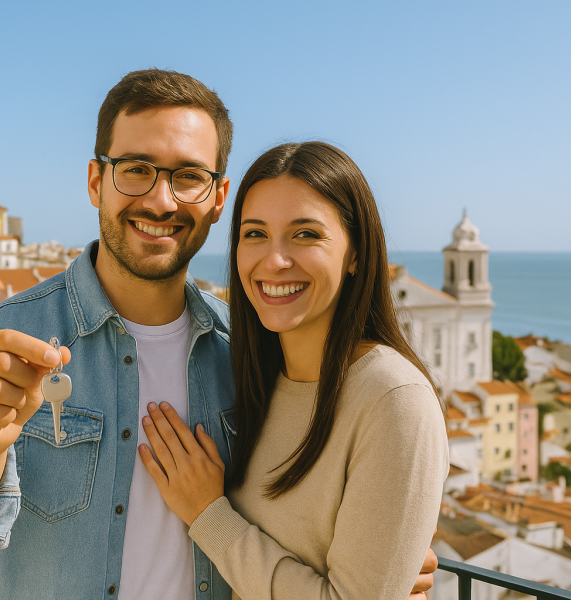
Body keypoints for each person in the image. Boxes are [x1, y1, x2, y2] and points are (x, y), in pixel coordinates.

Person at [0, 70, 438, 599]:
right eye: (136, 169)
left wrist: (376, 566)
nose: (161, 201)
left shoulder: (247, 353)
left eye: (188, 176)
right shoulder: (3, 337)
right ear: (94, 181)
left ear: (219, 196)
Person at [138, 142, 448, 599]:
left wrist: (208, 513)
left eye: (305, 234)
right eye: (255, 234)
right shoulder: (256, 376)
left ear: (356, 254)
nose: (275, 260)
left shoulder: (393, 399)